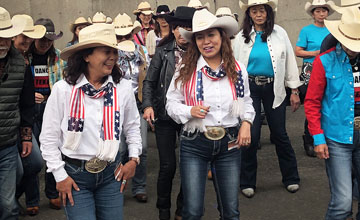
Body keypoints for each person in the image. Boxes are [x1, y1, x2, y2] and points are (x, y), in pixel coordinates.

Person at [39, 23, 142, 220]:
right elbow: (49, 137)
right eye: (106, 51)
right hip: (75, 175)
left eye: (114, 51)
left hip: (111, 174)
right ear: (86, 56)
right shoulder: (63, 90)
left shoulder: (123, 88)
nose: (112, 56)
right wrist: (59, 176)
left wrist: (134, 159)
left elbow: (132, 126)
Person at [166, 9, 254, 219]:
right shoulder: (185, 69)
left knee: (231, 210)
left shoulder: (238, 69)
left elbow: (247, 102)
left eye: (211, 35)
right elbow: (170, 103)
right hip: (194, 142)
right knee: (193, 210)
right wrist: (190, 110)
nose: (206, 41)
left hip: (229, 142)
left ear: (222, 37)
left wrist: (246, 123)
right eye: (200, 37)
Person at [233, 0, 302, 198]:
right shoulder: (241, 37)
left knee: (280, 134)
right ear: (250, 14)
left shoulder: (280, 33)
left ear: (268, 12)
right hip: (250, 89)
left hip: (275, 88)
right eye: (254, 11)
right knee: (251, 136)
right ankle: (247, 181)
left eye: (262, 10)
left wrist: (294, 90)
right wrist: (235, 96)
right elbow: (235, 66)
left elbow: (289, 60)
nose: (258, 14)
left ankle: (291, 178)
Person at [304, 7, 360, 219]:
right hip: (337, 138)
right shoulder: (324, 61)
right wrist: (318, 138)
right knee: (343, 201)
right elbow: (312, 102)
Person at [142, 6, 196, 220]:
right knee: (167, 166)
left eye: (188, 27)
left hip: (190, 116)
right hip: (164, 116)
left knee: (188, 166)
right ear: (172, 29)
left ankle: (182, 209)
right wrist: (147, 106)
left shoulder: (200, 52)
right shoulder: (162, 51)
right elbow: (149, 82)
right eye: (179, 27)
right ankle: (163, 209)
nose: (183, 32)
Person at [26, 18, 66, 210]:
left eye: (49, 40)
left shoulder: (59, 57)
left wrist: (48, 97)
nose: (45, 43)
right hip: (30, 110)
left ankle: (52, 193)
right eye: (42, 39)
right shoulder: (25, 57)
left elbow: (64, 86)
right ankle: (32, 200)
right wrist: (29, 95)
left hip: (51, 109)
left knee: (54, 150)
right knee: (32, 157)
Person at [0, 7, 34, 220]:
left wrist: (26, 136)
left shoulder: (21, 64)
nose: (2, 42)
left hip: (8, 143)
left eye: (5, 36)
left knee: (8, 206)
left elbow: (27, 103)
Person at [11, 14, 45, 216]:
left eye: (29, 36)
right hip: (9, 122)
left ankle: (11, 197)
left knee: (34, 163)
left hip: (21, 121)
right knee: (17, 170)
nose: (26, 40)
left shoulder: (25, 59)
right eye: (23, 35)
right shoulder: (13, 59)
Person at [114, 13, 150, 203]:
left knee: (141, 147)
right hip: (116, 106)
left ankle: (139, 186)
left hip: (137, 103)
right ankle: (116, 185)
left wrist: (148, 105)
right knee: (118, 148)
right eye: (119, 36)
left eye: (126, 35)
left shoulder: (142, 52)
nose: (123, 39)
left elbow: (148, 80)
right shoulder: (110, 54)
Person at [295, 0, 333, 158]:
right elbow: (298, 51)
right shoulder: (306, 30)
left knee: (328, 104)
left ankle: (328, 138)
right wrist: (315, 53)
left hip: (330, 69)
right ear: (313, 14)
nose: (321, 14)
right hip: (311, 71)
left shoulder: (332, 29)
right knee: (313, 104)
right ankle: (309, 139)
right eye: (318, 11)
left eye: (324, 10)